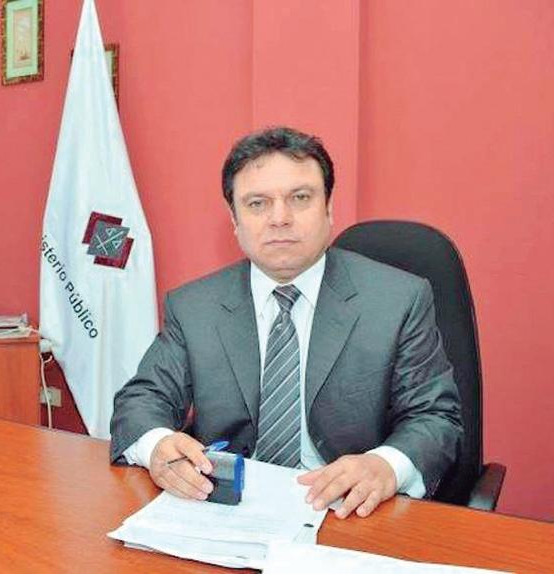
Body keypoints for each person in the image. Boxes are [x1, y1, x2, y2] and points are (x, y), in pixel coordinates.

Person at [110, 126, 463, 519]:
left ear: (329, 209)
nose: (280, 218)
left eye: (300, 198)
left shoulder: (398, 299)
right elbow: (141, 401)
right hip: (226, 511)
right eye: (257, 203)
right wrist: (157, 446)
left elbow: (435, 418)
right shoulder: (195, 306)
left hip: (349, 511)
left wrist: (386, 466)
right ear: (234, 220)